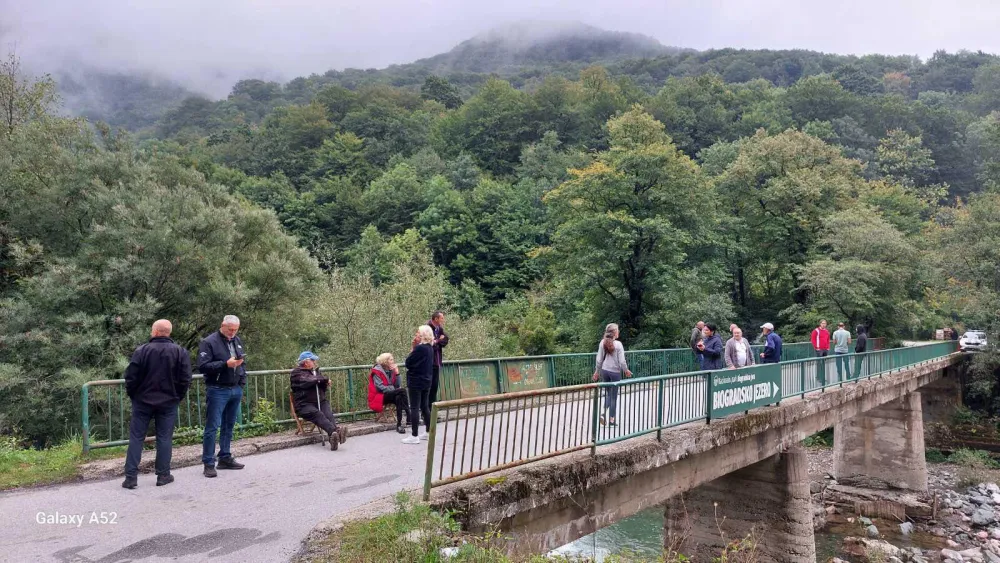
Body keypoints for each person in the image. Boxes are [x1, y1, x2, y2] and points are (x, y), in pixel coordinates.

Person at [122, 320, 192, 489]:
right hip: (168, 402)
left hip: (142, 401)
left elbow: (131, 377)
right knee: (164, 438)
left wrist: (134, 395)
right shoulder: (180, 352)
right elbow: (185, 379)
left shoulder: (142, 351)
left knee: (136, 437)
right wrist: (177, 396)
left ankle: (131, 477)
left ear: (154, 331)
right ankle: (163, 475)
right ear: (169, 332)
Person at [198, 315, 248, 478]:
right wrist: (225, 364)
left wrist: (241, 381)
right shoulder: (209, 342)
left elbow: (242, 361)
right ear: (222, 326)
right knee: (212, 427)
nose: (232, 333)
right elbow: (203, 366)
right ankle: (208, 463)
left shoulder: (237, 340)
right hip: (217, 389)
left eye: (235, 330)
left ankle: (225, 457)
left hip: (235, 388)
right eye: (230, 329)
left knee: (229, 425)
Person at [291, 351, 347, 450]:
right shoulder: (297, 373)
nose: (315, 362)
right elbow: (308, 381)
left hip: (320, 401)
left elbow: (321, 386)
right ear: (306, 362)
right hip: (304, 405)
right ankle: (336, 432)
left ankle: (333, 436)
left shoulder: (315, 372)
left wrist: (324, 384)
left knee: (328, 414)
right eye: (313, 360)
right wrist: (323, 379)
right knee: (318, 414)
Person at [592, 323, 632, 426]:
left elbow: (599, 360)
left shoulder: (602, 343)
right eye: (618, 330)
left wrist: (597, 372)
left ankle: (604, 414)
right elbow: (622, 361)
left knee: (609, 394)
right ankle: (611, 419)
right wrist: (626, 370)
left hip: (605, 371)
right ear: (614, 332)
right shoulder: (618, 344)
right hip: (615, 372)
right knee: (613, 397)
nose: (619, 332)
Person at [403, 325, 435, 444]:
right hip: (427, 380)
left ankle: (414, 435)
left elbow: (408, 362)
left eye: (417, 333)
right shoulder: (430, 348)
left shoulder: (420, 348)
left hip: (416, 380)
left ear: (422, 335)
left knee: (415, 407)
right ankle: (428, 432)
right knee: (425, 406)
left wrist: (413, 347)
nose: (415, 335)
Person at [368, 353, 409, 434]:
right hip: (380, 396)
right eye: (391, 359)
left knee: (399, 397)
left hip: (390, 394)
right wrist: (394, 389)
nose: (393, 361)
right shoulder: (377, 371)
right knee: (402, 391)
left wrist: (397, 373)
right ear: (385, 361)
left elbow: (397, 385)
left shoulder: (391, 370)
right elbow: (380, 387)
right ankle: (408, 414)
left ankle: (399, 425)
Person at [425, 311, 449, 404]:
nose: (443, 320)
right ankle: (426, 412)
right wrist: (439, 340)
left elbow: (446, 340)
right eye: (442, 318)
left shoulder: (439, 328)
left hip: (437, 362)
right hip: (429, 362)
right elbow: (430, 345)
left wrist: (437, 341)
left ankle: (432, 411)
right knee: (428, 387)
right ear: (436, 319)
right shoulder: (427, 328)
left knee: (434, 387)